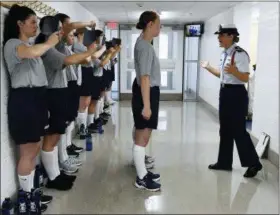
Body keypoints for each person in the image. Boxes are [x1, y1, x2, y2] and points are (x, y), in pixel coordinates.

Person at [3, 4, 58, 210]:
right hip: (24, 101)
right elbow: (33, 52)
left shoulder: (29, 44)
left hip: (37, 99)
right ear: (20, 24)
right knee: (27, 152)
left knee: (34, 148)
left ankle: (32, 191)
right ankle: (26, 199)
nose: (36, 26)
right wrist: (50, 42)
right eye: (33, 22)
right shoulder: (13, 44)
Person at [35, 15, 97, 190]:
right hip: (51, 93)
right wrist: (90, 50)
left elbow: (69, 30)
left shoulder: (58, 44)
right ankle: (53, 177)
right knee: (52, 135)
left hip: (60, 90)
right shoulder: (47, 47)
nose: (64, 30)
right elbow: (68, 60)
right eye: (60, 27)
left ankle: (56, 173)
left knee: (56, 135)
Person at [200, 24, 262, 178]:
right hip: (225, 92)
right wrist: (208, 67)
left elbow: (245, 78)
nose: (219, 38)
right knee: (225, 129)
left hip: (236, 94)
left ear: (230, 36)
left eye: (221, 35)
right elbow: (223, 75)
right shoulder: (225, 54)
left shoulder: (240, 54)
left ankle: (254, 163)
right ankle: (224, 162)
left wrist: (235, 71)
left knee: (238, 130)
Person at [132, 11, 162, 191]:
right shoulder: (145, 46)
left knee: (143, 133)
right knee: (142, 136)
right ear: (150, 24)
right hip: (147, 92)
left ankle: (142, 171)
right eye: (159, 24)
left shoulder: (143, 42)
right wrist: (147, 106)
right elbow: (144, 77)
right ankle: (141, 178)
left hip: (147, 91)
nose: (160, 27)